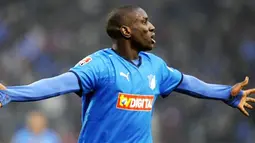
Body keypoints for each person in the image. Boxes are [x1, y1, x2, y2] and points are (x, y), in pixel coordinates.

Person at [0, 5, 255, 143]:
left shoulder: (155, 66)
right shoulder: (100, 65)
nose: (152, 27)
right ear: (126, 31)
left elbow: (186, 82)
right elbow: (59, 83)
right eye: (144, 22)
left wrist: (225, 93)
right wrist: (11, 93)